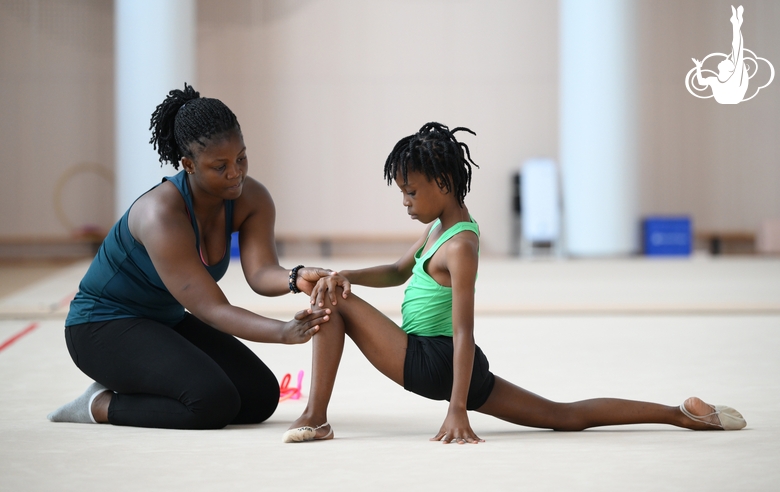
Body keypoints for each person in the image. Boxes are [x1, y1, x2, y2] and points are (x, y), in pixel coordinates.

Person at [282, 122, 746, 444]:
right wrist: (347, 274)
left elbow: (464, 331)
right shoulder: (438, 229)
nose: (404, 200)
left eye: (411, 190)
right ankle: (679, 414)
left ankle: (315, 417)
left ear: (443, 182)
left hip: (436, 359)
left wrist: (457, 407)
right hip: (442, 360)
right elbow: (398, 271)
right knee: (565, 416)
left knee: (331, 300)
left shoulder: (460, 245)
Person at [47, 83, 335, 430]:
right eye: (220, 166)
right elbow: (213, 309)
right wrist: (284, 332)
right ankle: (99, 404)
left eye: (241, 158)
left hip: (162, 320)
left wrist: (296, 276)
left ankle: (145, 382)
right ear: (189, 164)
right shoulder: (160, 215)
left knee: (259, 397)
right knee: (211, 403)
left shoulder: (251, 198)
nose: (236, 173)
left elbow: (261, 273)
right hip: (101, 327)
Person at [692, 5, 749, 104]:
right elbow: (701, 82)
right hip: (731, 97)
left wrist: (698, 67)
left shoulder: (730, 78)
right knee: (737, 51)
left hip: (732, 96)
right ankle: (736, 23)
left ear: (729, 69)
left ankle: (736, 23)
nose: (724, 60)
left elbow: (738, 50)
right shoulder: (716, 80)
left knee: (737, 51)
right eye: (728, 61)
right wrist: (698, 67)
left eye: (727, 61)